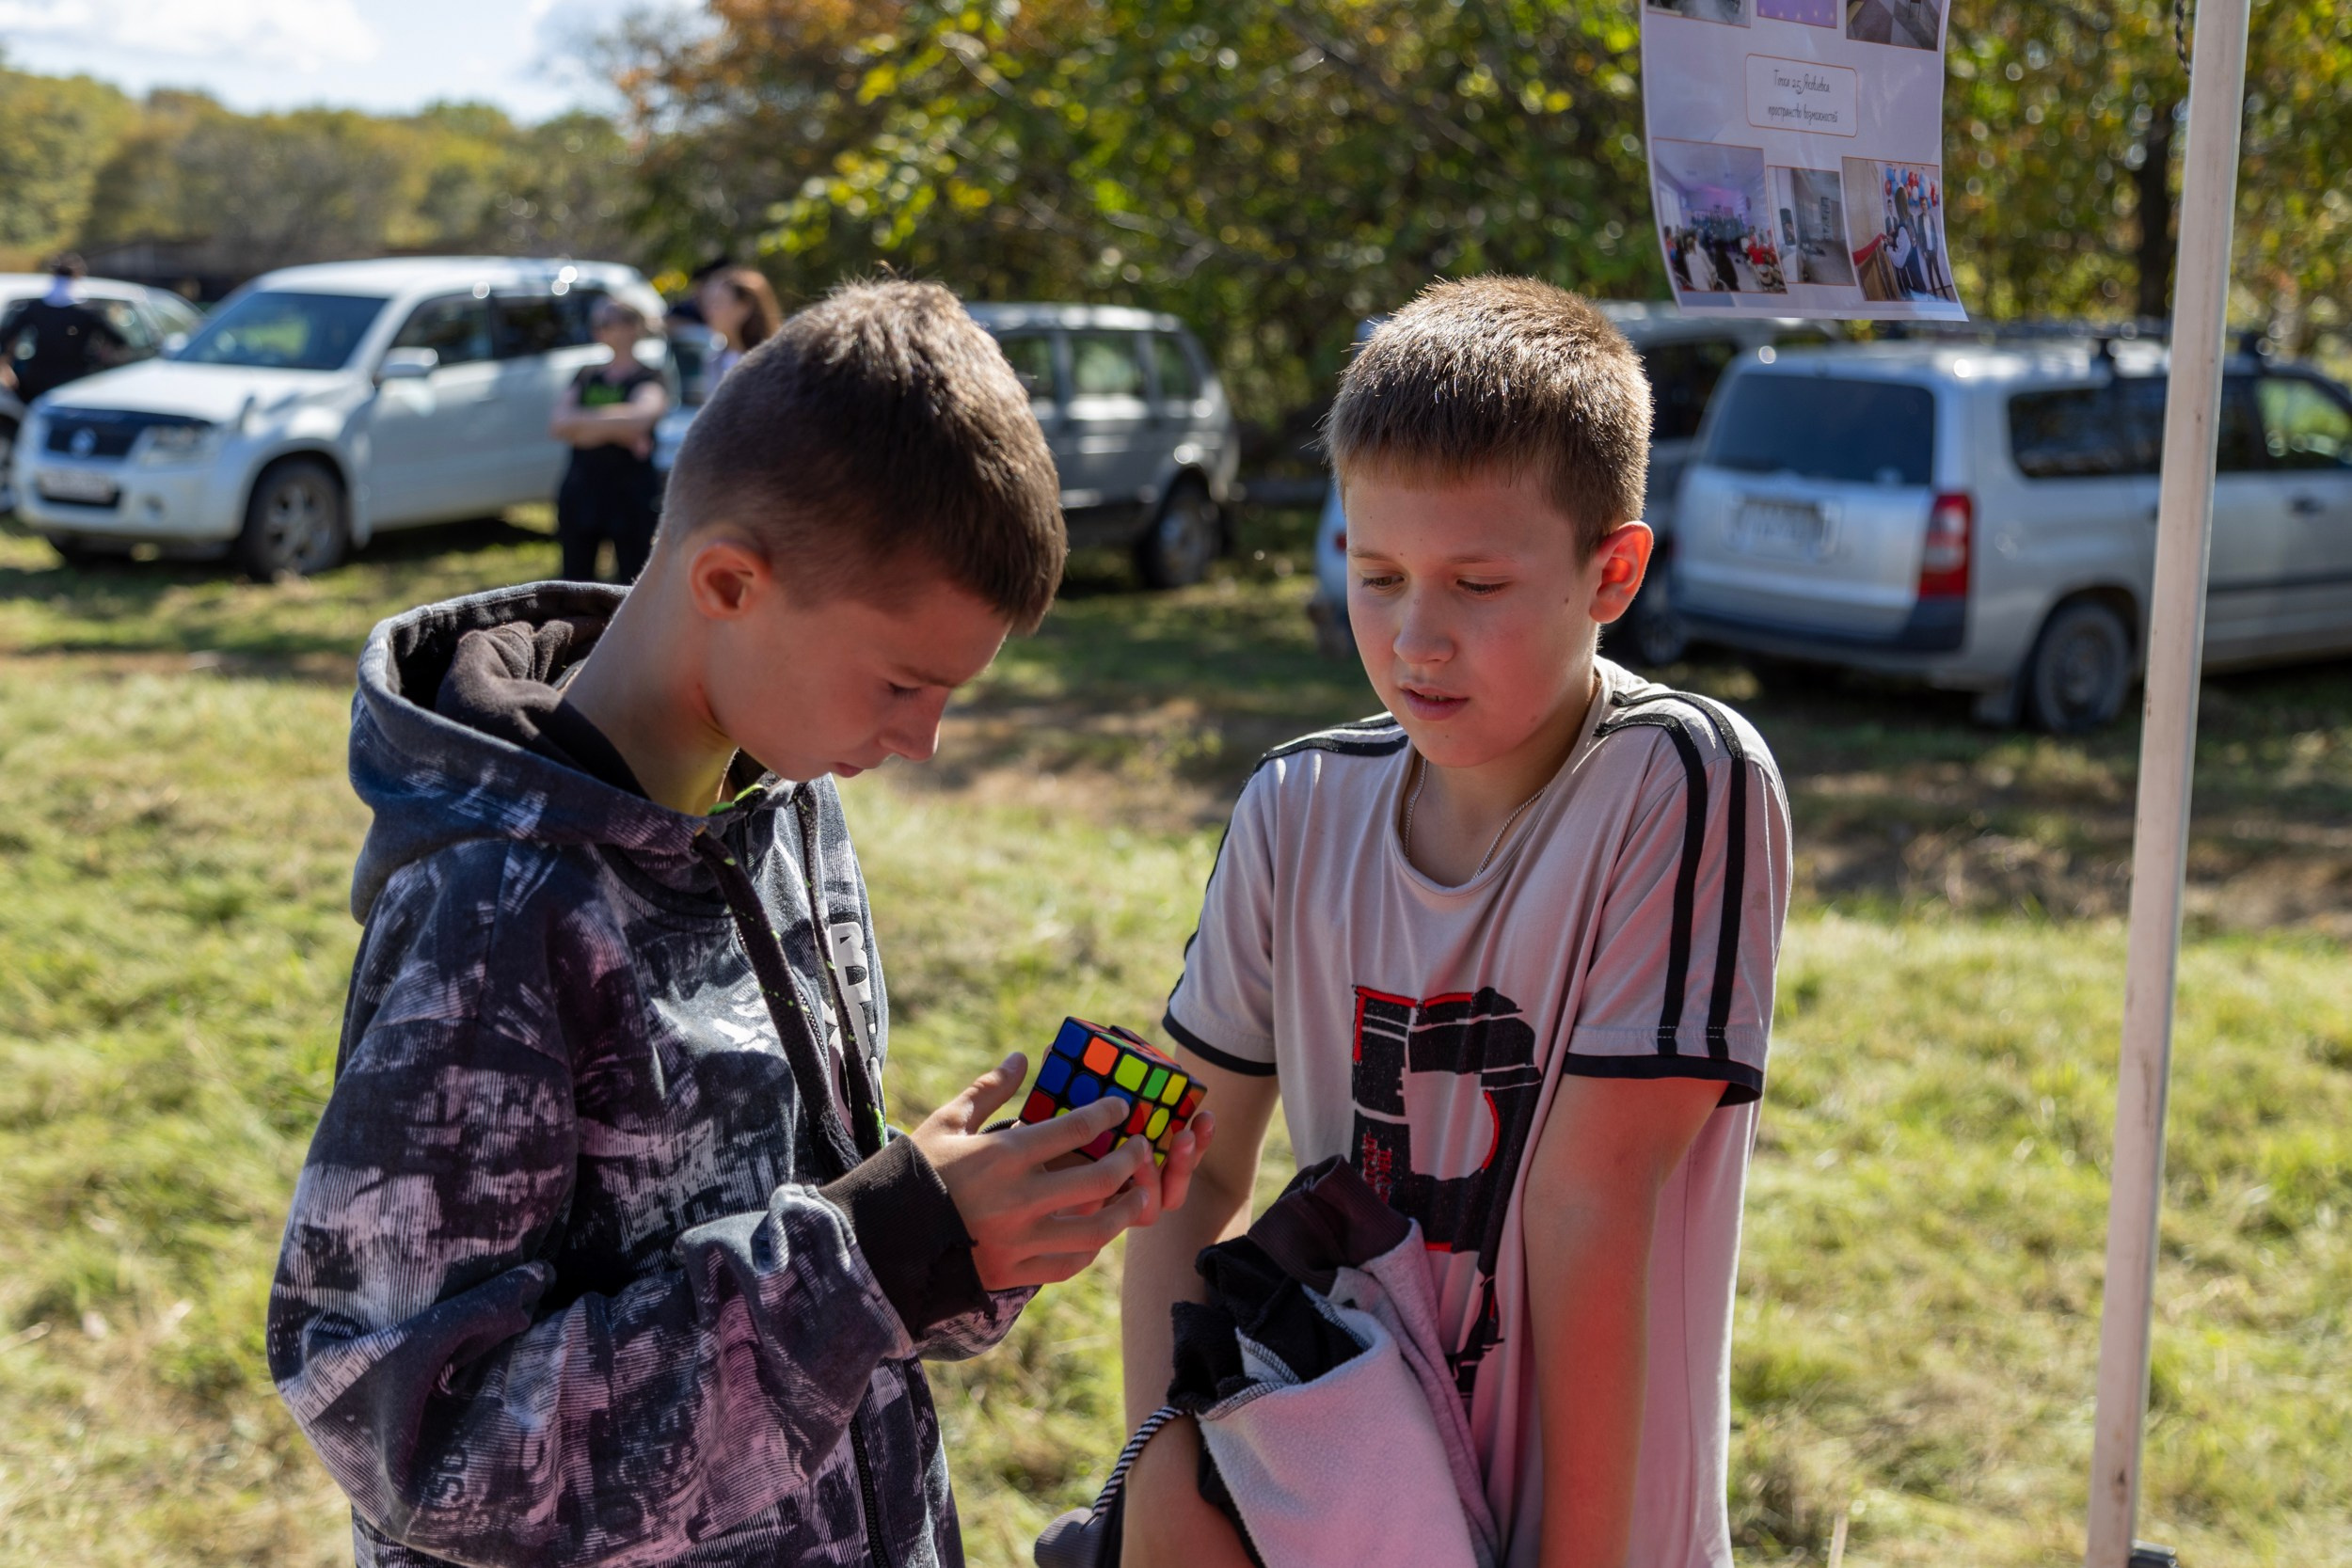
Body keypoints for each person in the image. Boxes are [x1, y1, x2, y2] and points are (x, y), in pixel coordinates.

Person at [268, 279, 1214, 1568]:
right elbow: (422, 1448)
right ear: (729, 579)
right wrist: (876, 1252)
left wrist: (966, 1229)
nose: (923, 740)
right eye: (903, 682)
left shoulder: (784, 807)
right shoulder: (492, 910)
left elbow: (803, 1256)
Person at [1118, 277, 1790, 1568]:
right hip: (1342, 1511)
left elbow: (1593, 1203)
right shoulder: (1296, 800)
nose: (1416, 638)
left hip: (1594, 1524)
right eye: (1375, 575)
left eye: (1477, 582)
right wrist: (1163, 1469)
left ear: (1615, 570)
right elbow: (1195, 1166)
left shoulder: (1685, 776)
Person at [548, 297, 669, 583]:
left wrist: (583, 423)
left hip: (630, 494)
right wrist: (621, 429)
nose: (599, 330)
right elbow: (558, 424)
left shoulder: (650, 376)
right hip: (582, 490)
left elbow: (642, 418)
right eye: (596, 324)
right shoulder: (586, 374)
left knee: (633, 578)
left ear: (632, 327)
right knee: (575, 579)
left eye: (607, 322)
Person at [0, 253, 126, 404]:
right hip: (77, 380)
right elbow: (119, 340)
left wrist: (6, 365)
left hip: (38, 379)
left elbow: (6, 336)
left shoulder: (35, 308)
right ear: (78, 275)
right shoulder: (88, 311)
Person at [700, 264, 783, 385]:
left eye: (718, 303)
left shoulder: (775, 360)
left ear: (744, 307)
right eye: (709, 303)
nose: (709, 311)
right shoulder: (713, 360)